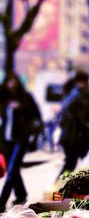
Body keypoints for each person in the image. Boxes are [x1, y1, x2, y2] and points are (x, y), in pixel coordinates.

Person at [0, 73, 42, 212]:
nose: (12, 84)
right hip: (5, 139)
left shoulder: (26, 98)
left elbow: (36, 115)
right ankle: (21, 194)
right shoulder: (3, 98)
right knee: (14, 169)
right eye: (9, 82)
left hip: (21, 138)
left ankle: (1, 202)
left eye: (14, 81)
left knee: (11, 170)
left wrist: (21, 108)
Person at [58, 71, 89, 177]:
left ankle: (60, 185)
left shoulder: (72, 93)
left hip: (70, 135)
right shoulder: (79, 94)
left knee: (70, 163)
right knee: (70, 164)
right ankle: (58, 185)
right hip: (73, 135)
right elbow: (81, 116)